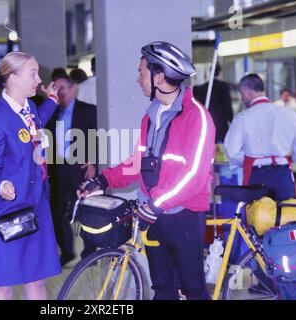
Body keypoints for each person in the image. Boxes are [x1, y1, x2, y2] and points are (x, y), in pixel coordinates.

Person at [78, 41, 216, 300]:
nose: (138, 79)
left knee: (193, 289)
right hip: (153, 216)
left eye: (142, 73)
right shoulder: (150, 117)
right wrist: (102, 179)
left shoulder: (196, 117)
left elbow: (193, 176)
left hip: (183, 217)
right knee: (162, 290)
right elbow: (137, 163)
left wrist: (156, 204)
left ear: (159, 77)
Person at [0, 52, 61, 300]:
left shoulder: (30, 107)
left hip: (36, 204)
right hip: (9, 211)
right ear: (12, 77)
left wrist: (52, 99)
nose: (38, 79)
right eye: (32, 74)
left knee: (36, 280)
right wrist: (1, 184)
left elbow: (35, 123)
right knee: (4, 284)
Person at [225, 74, 296, 201]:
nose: (242, 98)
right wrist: (294, 158)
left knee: (258, 217)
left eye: (241, 94)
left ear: (247, 91)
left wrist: (248, 160)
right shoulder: (288, 113)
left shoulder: (242, 118)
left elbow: (232, 151)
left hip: (256, 175)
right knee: (287, 214)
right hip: (283, 173)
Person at [46, 73, 97, 266]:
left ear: (73, 88)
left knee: (85, 212)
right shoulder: (52, 113)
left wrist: (93, 162)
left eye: (62, 88)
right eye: (55, 89)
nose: (59, 93)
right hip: (59, 169)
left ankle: (89, 252)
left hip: (81, 168)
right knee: (57, 212)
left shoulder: (88, 111)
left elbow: (98, 138)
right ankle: (67, 251)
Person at [193, 63, 233, 143]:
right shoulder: (223, 87)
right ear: (220, 72)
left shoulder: (202, 88)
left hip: (207, 124)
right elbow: (227, 105)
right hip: (221, 125)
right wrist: (230, 119)